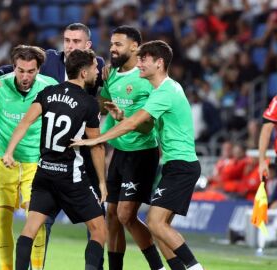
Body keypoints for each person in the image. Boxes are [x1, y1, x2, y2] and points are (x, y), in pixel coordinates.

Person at [71, 40, 205, 270]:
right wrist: (122, 117)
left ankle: (195, 268)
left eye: (144, 60)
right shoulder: (165, 89)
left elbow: (135, 123)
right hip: (175, 164)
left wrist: (94, 139)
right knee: (159, 227)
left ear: (159, 63)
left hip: (182, 165)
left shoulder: (164, 92)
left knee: (154, 221)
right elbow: (141, 124)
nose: (139, 64)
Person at [0, 22, 106, 269]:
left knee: (31, 227)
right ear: (84, 72)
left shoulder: (47, 92)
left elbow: (25, 122)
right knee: (98, 227)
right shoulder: (58, 66)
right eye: (67, 40)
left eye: (76, 41)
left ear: (87, 45)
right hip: (71, 169)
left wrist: (8, 151)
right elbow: (96, 146)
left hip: (45, 167)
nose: (70, 45)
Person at [0, 45, 58, 270]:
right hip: (2, 163)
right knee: (3, 221)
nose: (25, 76)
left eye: (31, 71)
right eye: (20, 70)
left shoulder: (50, 87)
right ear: (13, 67)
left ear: (39, 70)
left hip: (35, 164)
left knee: (37, 221)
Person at [99, 26, 169, 270]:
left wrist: (123, 118)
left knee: (126, 215)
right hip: (119, 152)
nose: (112, 49)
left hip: (142, 153)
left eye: (118, 44)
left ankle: (157, 266)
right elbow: (103, 104)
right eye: (111, 44)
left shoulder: (145, 78)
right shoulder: (112, 74)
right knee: (112, 216)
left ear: (134, 47)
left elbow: (147, 126)